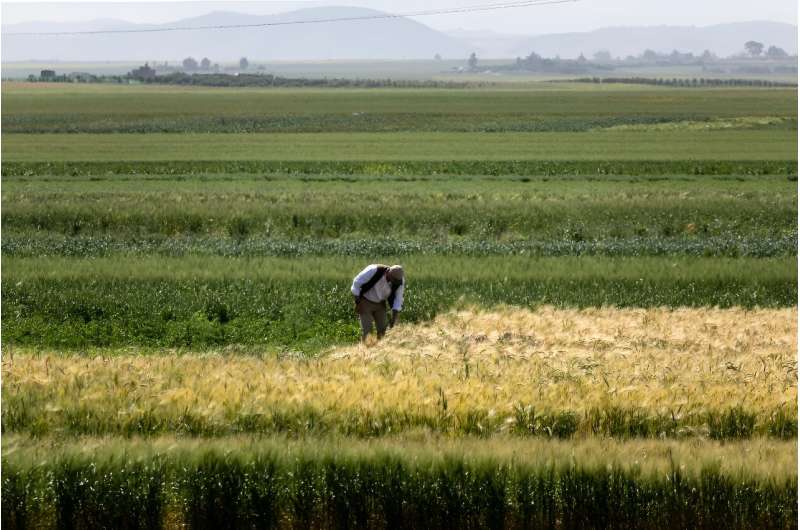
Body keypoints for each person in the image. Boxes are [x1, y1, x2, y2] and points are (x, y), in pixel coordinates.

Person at [350, 264, 405, 341]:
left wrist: (393, 318)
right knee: (367, 331)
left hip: (380, 304)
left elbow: (398, 299)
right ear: (388, 273)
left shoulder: (399, 281)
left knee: (383, 331)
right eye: (394, 280)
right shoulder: (374, 270)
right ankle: (366, 347)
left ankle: (380, 348)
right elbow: (356, 283)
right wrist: (358, 302)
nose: (395, 283)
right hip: (365, 302)